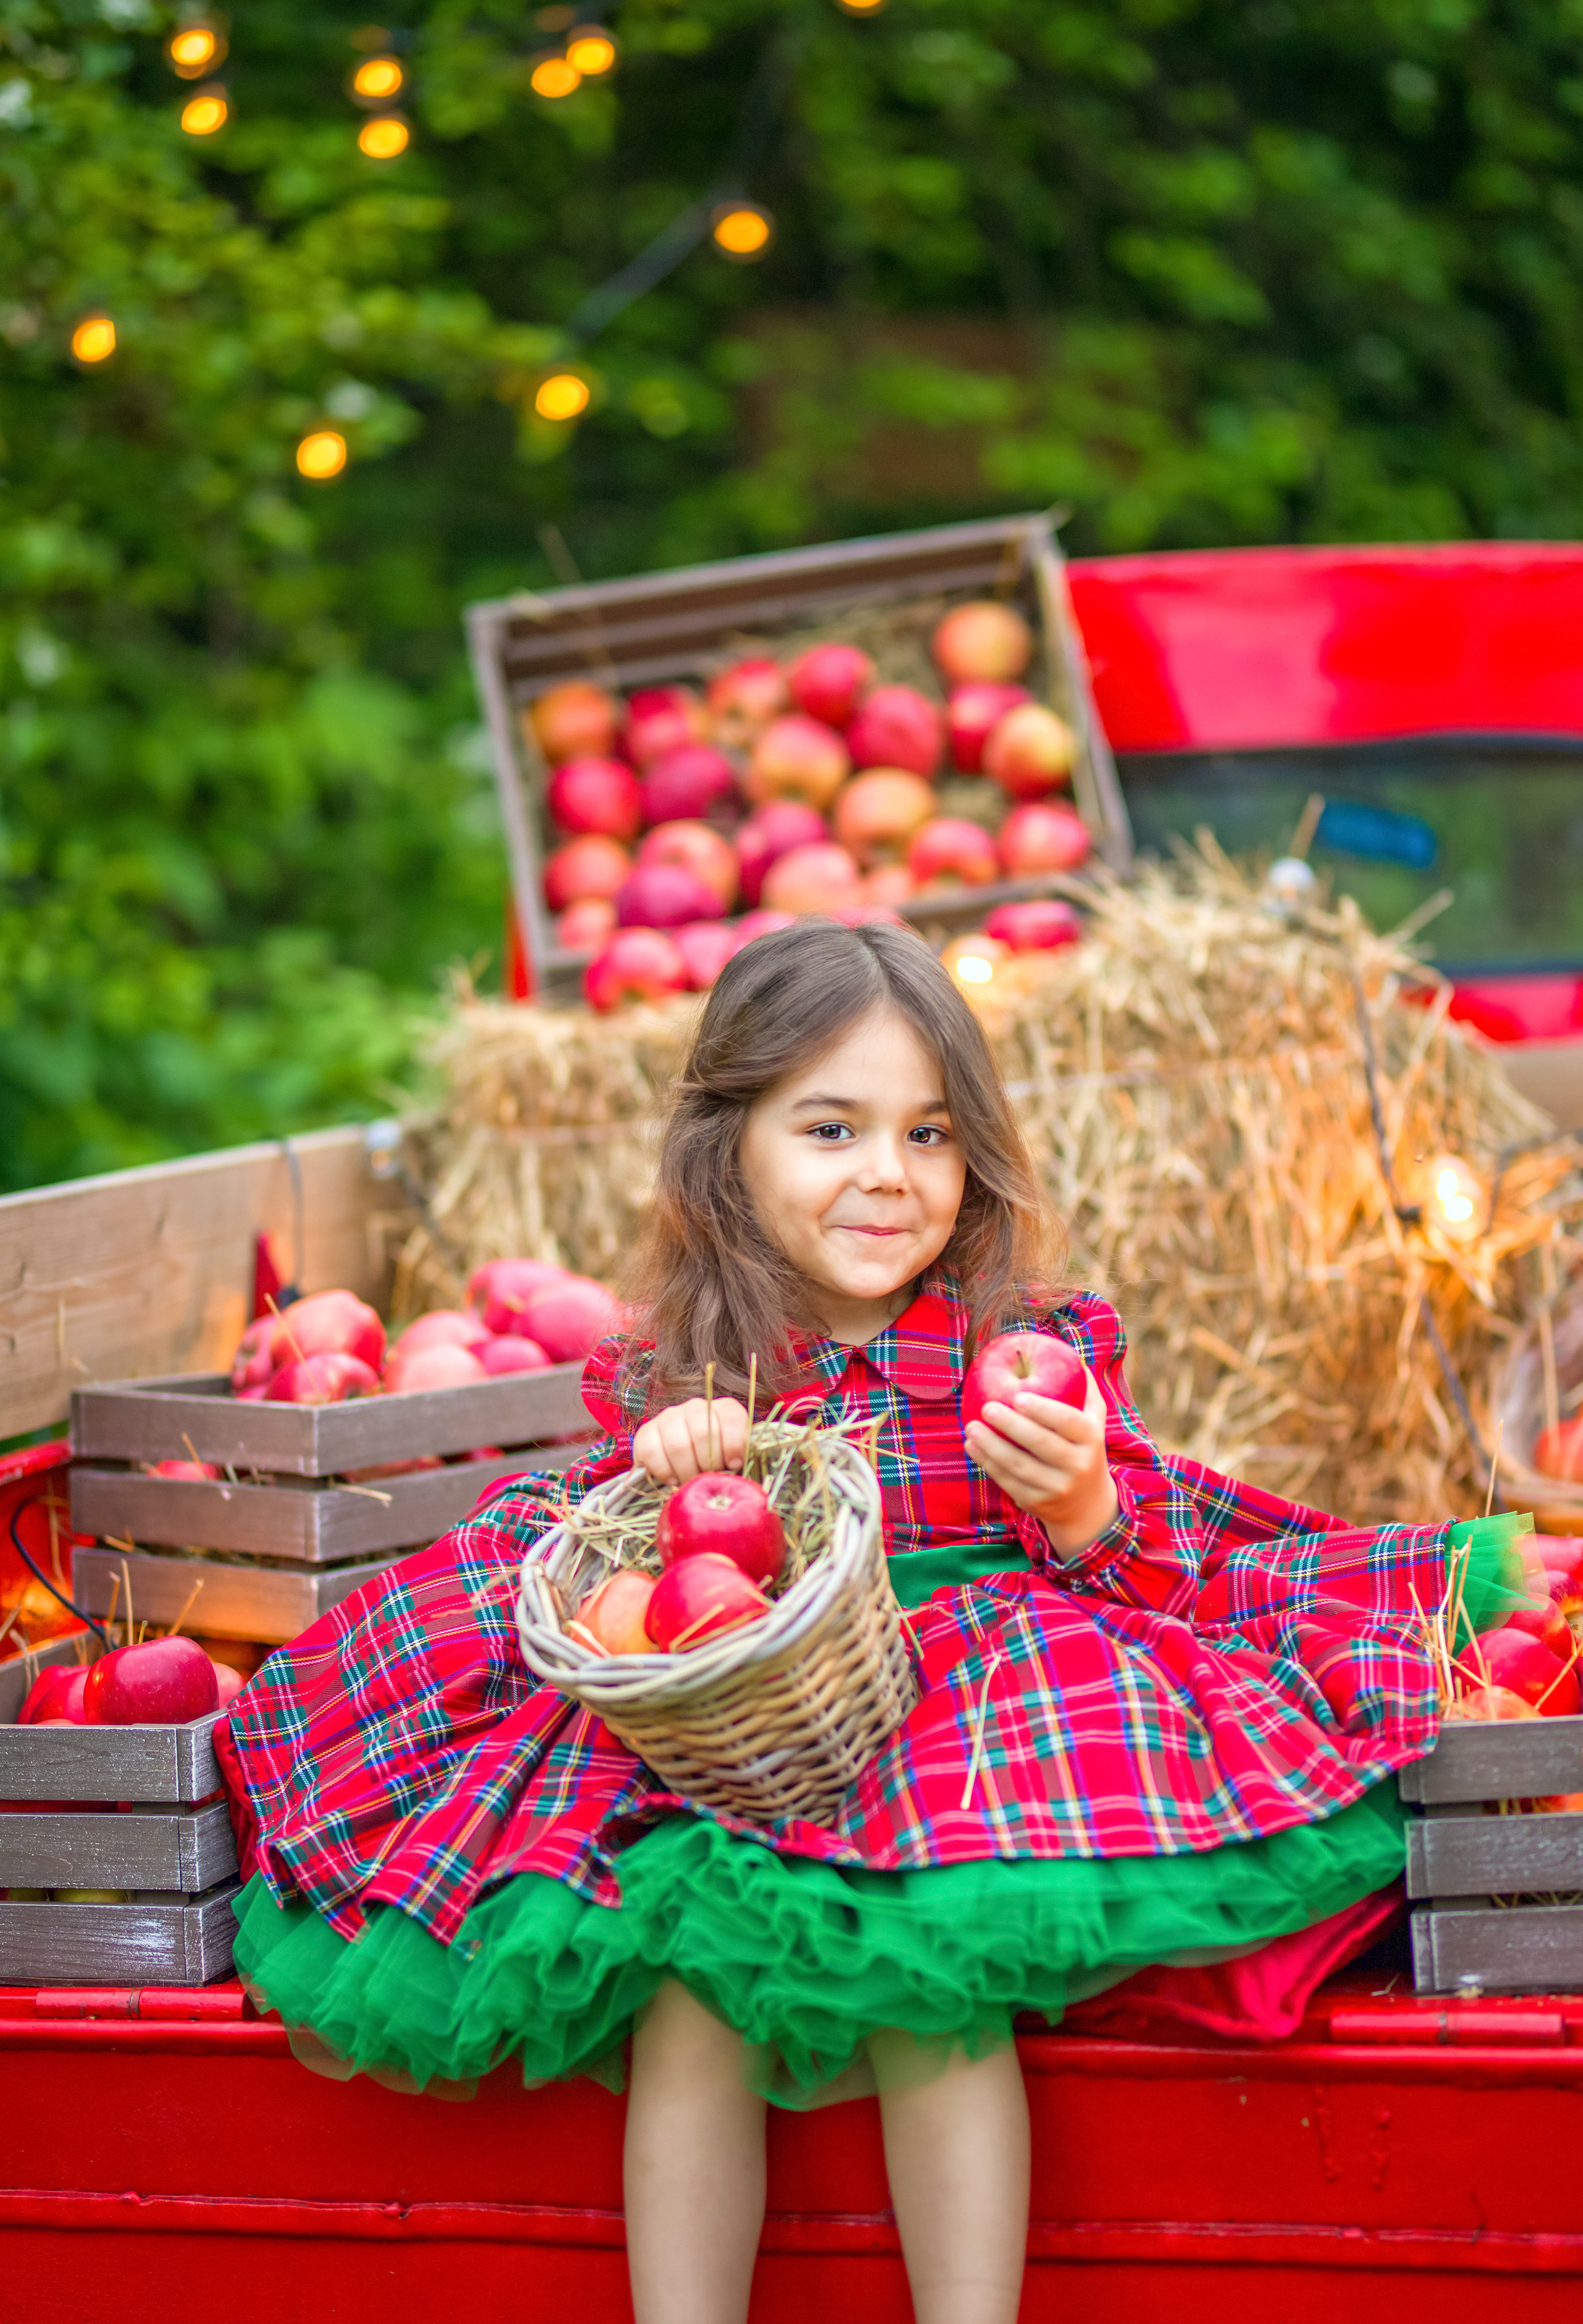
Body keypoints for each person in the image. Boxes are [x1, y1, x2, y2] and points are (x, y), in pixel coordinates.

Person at [217, 918, 1524, 2324]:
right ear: (730, 1149)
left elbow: (1147, 1575)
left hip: (960, 1722)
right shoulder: (698, 1369)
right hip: (744, 1742)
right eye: (831, 1128)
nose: (886, 1176)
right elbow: (641, 1600)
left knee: (926, 1980)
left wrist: (1079, 1496)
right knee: (688, 2003)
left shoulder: (1015, 1346)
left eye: (928, 1135)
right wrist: (682, 1470)